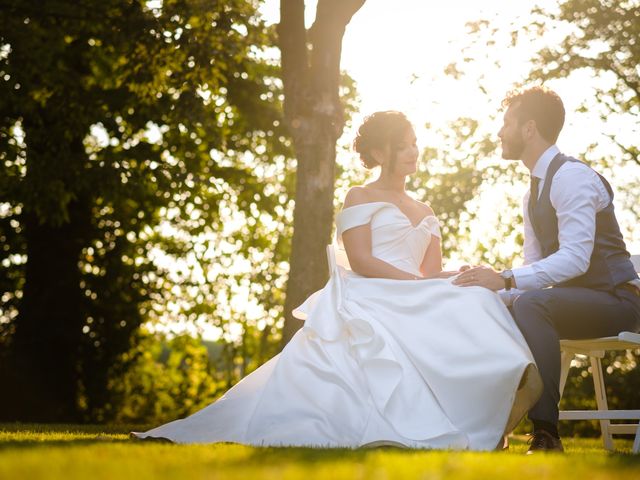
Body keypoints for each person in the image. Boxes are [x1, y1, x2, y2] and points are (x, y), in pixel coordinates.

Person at [132, 111, 542, 450]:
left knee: (478, 300)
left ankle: (485, 415)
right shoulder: (359, 196)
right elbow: (361, 260)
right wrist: (415, 285)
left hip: (412, 291)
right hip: (373, 291)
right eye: (406, 144)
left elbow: (430, 272)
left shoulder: (425, 206)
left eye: (416, 142)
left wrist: (455, 277)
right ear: (382, 152)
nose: (414, 150)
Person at [454, 87, 640, 453]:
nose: (499, 132)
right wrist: (485, 287)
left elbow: (575, 259)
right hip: (576, 301)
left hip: (619, 301)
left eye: (506, 122)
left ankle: (546, 433)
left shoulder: (571, 177)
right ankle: (487, 427)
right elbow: (534, 267)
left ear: (529, 129)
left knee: (530, 305)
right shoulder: (531, 192)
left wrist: (504, 279)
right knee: (491, 305)